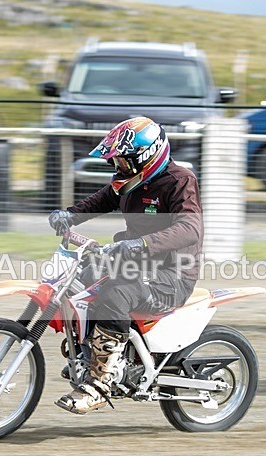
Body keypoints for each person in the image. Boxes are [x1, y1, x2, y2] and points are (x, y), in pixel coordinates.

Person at [48, 116, 203, 414]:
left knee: (113, 294)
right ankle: (91, 352)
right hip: (135, 265)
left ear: (144, 158)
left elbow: (190, 228)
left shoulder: (180, 181)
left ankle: (99, 383)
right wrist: (69, 215)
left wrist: (140, 243)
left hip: (171, 275)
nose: (116, 167)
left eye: (121, 161)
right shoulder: (129, 182)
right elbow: (100, 200)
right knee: (82, 277)